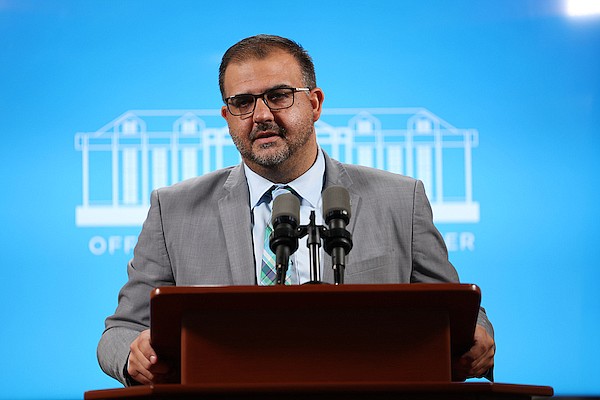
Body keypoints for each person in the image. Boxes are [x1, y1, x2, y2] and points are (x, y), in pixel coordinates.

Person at [97, 34, 495, 386]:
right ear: (226, 116)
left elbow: (457, 313)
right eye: (242, 102)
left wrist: (475, 335)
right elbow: (121, 331)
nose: (262, 116)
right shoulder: (174, 209)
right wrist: (133, 358)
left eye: (279, 95)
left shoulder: (400, 198)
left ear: (315, 102)